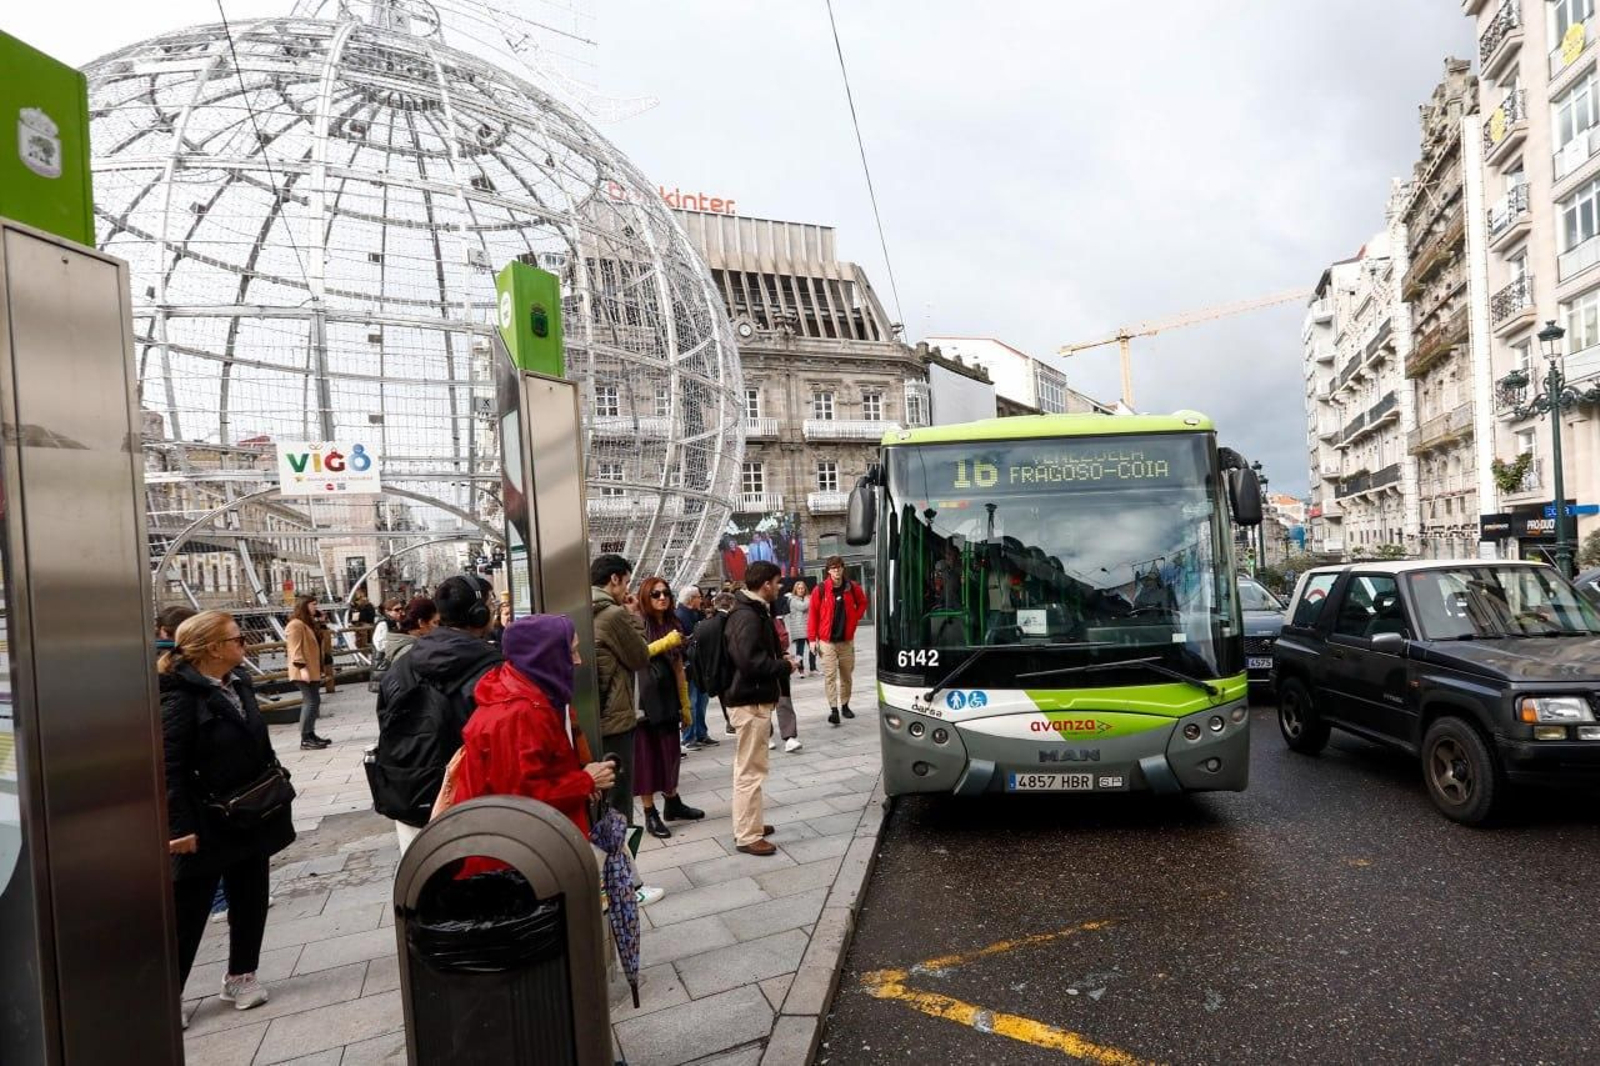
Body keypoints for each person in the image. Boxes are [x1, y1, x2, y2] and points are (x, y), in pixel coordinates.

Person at [159, 611, 294, 1013]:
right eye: (236, 639)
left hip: (249, 811)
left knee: (251, 896)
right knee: (190, 909)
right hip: (204, 818)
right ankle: (168, 996)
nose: (244, 644)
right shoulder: (179, 696)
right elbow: (168, 767)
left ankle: (241, 977)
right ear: (213, 648)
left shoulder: (240, 683)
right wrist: (179, 826)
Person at [371, 575, 502, 855]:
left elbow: (384, 720)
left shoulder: (402, 664)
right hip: (468, 801)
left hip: (408, 795)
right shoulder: (493, 670)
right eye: (490, 603)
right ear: (478, 613)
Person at [453, 615, 615, 837]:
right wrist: (585, 781)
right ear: (547, 657)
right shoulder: (520, 714)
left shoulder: (524, 693)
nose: (578, 661)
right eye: (571, 652)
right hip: (521, 855)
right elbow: (523, 799)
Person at [590, 554, 668, 907]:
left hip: (593, 721)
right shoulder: (613, 614)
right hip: (617, 719)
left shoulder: (581, 608)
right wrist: (634, 616)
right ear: (617, 580)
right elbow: (639, 656)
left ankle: (610, 883)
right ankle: (627, 885)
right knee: (621, 807)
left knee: (602, 808)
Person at [723, 561, 792, 856]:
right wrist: (784, 665)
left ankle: (751, 823)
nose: (779, 587)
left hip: (751, 699)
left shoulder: (752, 611)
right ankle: (748, 835)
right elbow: (750, 662)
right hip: (749, 701)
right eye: (777, 582)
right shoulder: (747, 616)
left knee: (750, 768)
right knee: (750, 771)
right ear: (765, 583)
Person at [630, 578, 705, 838]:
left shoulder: (673, 623)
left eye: (665, 593)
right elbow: (635, 655)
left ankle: (672, 801)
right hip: (645, 701)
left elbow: (677, 668)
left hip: (668, 697)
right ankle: (650, 813)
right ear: (645, 598)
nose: (662, 598)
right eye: (655, 594)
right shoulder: (638, 623)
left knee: (670, 752)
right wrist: (666, 642)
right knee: (647, 758)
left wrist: (685, 706)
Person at [808, 557, 869, 726]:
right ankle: (833, 709)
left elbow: (863, 602)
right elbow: (813, 615)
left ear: (843, 569)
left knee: (846, 675)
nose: (836, 571)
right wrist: (812, 639)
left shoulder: (852, 587)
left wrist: (855, 619)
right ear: (828, 571)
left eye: (839, 568)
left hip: (846, 641)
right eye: (833, 568)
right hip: (827, 641)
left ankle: (845, 705)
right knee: (830, 676)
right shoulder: (820, 590)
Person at [285, 595, 331, 750]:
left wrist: (321, 621)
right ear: (304, 606)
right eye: (313, 604)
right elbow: (294, 649)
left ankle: (311, 734)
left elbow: (320, 641)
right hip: (303, 670)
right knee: (310, 702)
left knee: (314, 701)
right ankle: (305, 737)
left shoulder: (308, 624)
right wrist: (302, 669)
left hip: (313, 669)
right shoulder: (295, 625)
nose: (315, 607)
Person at [676, 586, 716, 750]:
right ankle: (688, 736)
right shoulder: (680, 616)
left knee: (702, 700)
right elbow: (681, 641)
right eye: (699, 597)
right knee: (692, 701)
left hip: (700, 663)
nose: (702, 599)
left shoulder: (696, 614)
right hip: (690, 664)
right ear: (691, 599)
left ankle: (701, 733)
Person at [771, 611, 802, 753]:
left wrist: (782, 652)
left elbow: (783, 637)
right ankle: (766, 735)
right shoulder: (747, 617)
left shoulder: (772, 618)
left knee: (784, 699)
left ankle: (789, 737)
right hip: (759, 666)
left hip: (778, 662)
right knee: (764, 703)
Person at [785, 579, 811, 678]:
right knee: (800, 651)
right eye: (799, 588)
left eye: (803, 588)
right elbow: (803, 607)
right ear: (795, 590)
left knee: (813, 649)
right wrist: (810, 599)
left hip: (807, 627)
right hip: (799, 629)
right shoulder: (793, 599)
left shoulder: (805, 598)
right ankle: (800, 670)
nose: (801, 590)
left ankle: (813, 668)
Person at [371, 598, 404, 665]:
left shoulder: (396, 622)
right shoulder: (383, 623)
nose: (400, 611)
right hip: (383, 662)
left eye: (401, 608)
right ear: (387, 611)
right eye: (397, 610)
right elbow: (379, 645)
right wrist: (398, 644)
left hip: (392, 661)